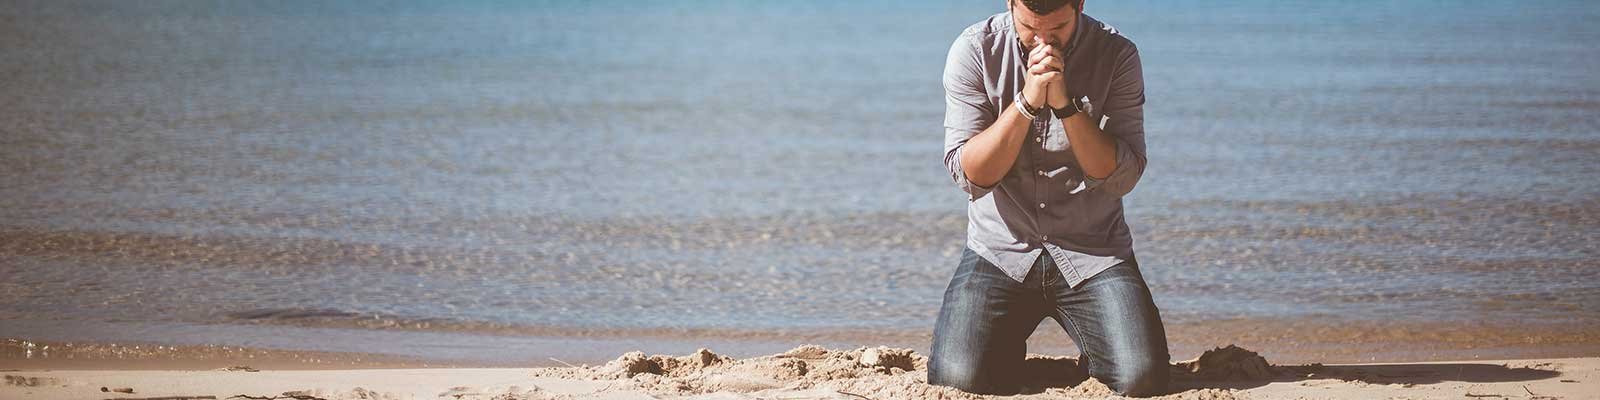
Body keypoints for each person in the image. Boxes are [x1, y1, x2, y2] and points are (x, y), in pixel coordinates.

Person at [928, 0, 1168, 396]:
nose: (1043, 41)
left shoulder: (1117, 53)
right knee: (956, 380)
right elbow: (970, 176)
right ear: (1010, 4)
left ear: (1080, 6)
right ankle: (1003, 353)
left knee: (1140, 378)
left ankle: (1093, 351)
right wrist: (1026, 102)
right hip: (1000, 251)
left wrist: (1064, 105)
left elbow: (1122, 178)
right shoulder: (975, 49)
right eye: (1028, 28)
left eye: (1056, 29)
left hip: (1093, 252)